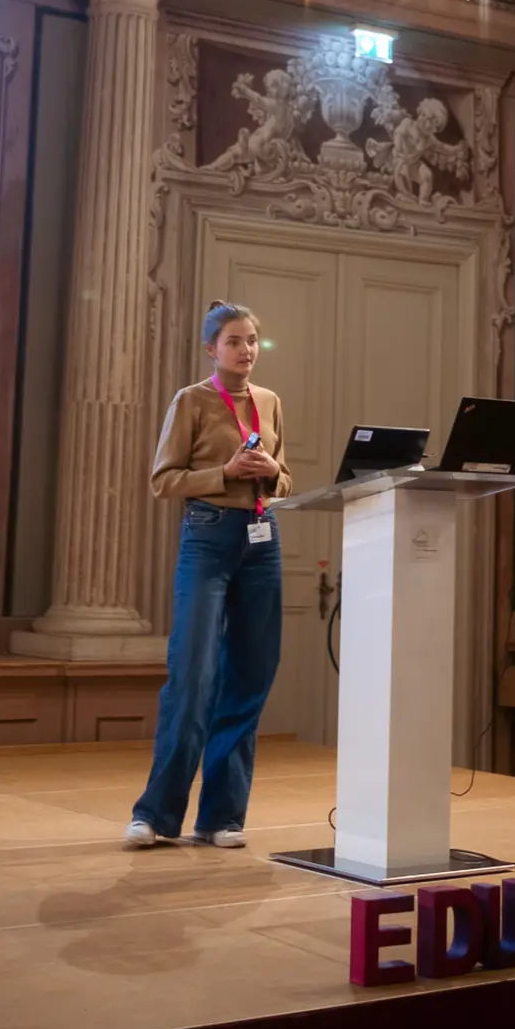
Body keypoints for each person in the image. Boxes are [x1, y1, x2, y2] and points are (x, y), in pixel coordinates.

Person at [125, 300, 290, 850]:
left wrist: (273, 473)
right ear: (211, 349)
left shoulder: (269, 402)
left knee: (249, 676)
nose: (246, 351)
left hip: (261, 541)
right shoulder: (192, 400)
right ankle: (155, 814)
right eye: (235, 341)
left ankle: (222, 817)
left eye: (253, 342)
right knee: (193, 674)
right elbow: (162, 480)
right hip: (208, 535)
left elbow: (285, 479)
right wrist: (224, 472)